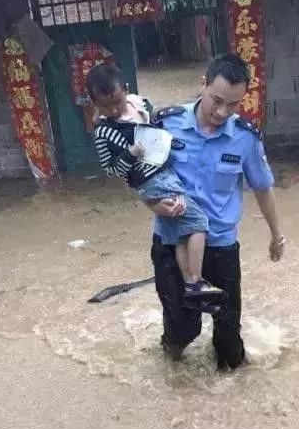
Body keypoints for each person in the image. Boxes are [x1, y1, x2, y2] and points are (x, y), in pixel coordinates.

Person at [147, 52, 286, 371]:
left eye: (233, 105)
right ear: (203, 84)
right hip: (171, 244)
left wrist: (276, 235)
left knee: (229, 343)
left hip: (221, 248)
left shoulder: (245, 139)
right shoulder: (166, 124)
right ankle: (168, 373)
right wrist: (154, 204)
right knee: (182, 329)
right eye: (217, 100)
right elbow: (143, 176)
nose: (222, 112)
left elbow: (263, 188)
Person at [86, 63, 226, 307]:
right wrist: (130, 155)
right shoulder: (103, 132)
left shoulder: (141, 104)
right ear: (93, 102)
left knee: (182, 233)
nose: (113, 109)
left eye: (117, 102)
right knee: (199, 223)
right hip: (153, 181)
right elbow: (111, 170)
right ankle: (195, 282)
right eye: (104, 106)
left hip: (166, 174)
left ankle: (191, 287)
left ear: (126, 90)